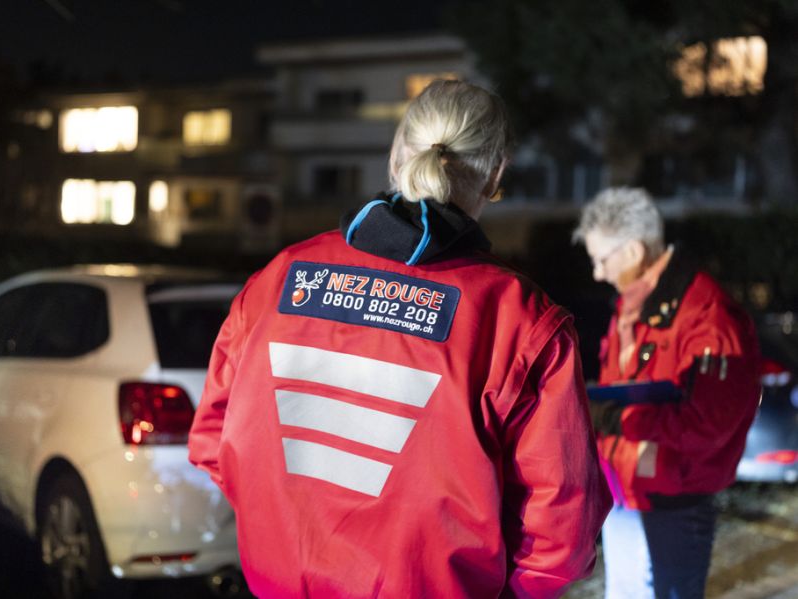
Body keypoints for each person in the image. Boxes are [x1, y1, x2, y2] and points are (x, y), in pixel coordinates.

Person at [189, 80, 611, 598]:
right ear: (496, 174)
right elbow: (562, 525)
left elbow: (212, 443)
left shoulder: (276, 281)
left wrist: (284, 531)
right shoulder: (520, 321)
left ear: (395, 154)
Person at [573, 187, 761, 599]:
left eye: (601, 260)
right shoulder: (635, 304)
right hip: (625, 490)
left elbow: (708, 424)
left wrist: (614, 418)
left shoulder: (706, 315)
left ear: (634, 251)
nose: (597, 274)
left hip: (673, 499)